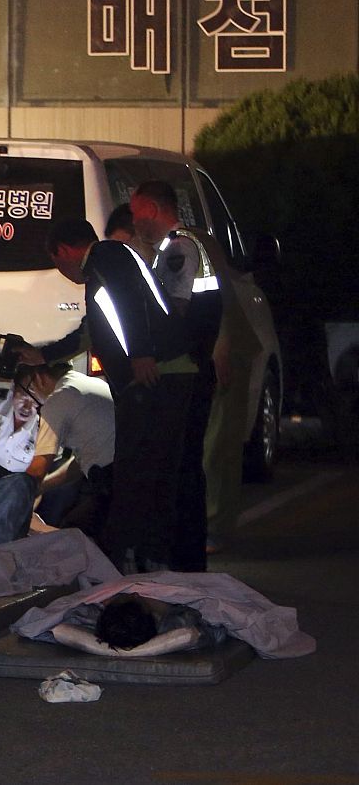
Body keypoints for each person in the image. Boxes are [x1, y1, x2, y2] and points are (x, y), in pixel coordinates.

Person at [31, 218, 191, 572]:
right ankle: (145, 555)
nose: (62, 272)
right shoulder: (107, 264)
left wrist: (141, 353)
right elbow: (91, 332)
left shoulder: (106, 256)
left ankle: (132, 557)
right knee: (147, 469)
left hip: (158, 374)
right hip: (160, 374)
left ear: (63, 251)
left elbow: (130, 298)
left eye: (57, 264)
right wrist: (41, 355)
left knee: (140, 470)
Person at [130, 181, 227, 571]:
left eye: (137, 213)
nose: (135, 222)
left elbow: (176, 310)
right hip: (191, 367)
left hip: (188, 370)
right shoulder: (177, 248)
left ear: (151, 209)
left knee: (183, 465)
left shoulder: (179, 249)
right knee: (183, 463)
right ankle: (184, 555)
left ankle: (186, 557)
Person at [0, 361, 116, 547]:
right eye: (25, 395)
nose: (31, 404)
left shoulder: (58, 400)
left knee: (80, 536)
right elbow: (81, 460)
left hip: (111, 475)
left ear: (39, 379)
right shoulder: (82, 384)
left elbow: (35, 473)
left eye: (33, 397)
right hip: (125, 464)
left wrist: (4, 512)